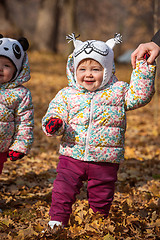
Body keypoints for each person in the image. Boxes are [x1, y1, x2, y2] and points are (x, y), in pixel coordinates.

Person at [42, 33, 156, 229]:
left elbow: (140, 96)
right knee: (62, 190)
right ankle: (57, 222)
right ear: (73, 69)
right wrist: (54, 123)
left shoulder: (118, 91)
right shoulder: (67, 94)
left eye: (96, 69)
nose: (88, 74)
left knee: (102, 194)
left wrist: (143, 69)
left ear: (108, 70)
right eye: (83, 69)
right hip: (72, 154)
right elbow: (55, 112)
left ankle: (98, 222)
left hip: (105, 158)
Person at [0, 35, 34, 175]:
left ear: (17, 70)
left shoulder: (20, 94)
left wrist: (20, 146)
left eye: (6, 65)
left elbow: (24, 122)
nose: (0, 69)